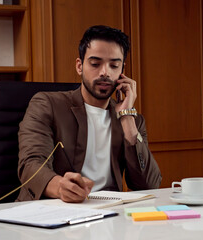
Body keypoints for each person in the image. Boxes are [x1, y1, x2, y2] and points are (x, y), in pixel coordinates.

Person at [17, 25, 162, 203]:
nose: (105, 72)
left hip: (108, 214)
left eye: (114, 65)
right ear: (79, 66)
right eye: (95, 64)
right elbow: (31, 165)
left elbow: (149, 184)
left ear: (122, 70)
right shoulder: (47, 104)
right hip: (56, 209)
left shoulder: (132, 120)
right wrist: (61, 187)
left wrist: (126, 118)